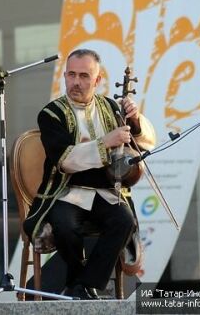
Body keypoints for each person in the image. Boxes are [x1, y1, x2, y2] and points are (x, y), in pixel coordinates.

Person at [23, 49, 156, 300]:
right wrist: (104, 142)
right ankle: (78, 282)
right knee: (64, 225)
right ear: (64, 76)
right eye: (71, 75)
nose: (76, 82)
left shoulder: (109, 107)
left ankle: (86, 285)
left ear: (97, 81)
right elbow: (65, 161)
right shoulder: (51, 114)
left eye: (84, 76)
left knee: (124, 221)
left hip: (104, 193)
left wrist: (135, 119)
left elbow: (142, 143)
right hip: (64, 192)